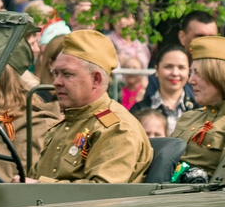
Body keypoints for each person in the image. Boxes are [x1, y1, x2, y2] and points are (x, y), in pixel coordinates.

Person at [29, 30, 151, 183]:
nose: (57, 82)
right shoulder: (65, 124)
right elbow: (33, 178)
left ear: (96, 80)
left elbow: (100, 194)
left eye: (67, 74)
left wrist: (39, 186)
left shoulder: (117, 129)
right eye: (56, 73)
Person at [173, 36, 225, 176]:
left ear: (220, 77)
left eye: (198, 73)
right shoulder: (189, 117)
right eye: (191, 73)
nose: (191, 80)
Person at [136, 46, 194, 126]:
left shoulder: (198, 109)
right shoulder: (139, 110)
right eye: (168, 67)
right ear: (157, 70)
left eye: (181, 67)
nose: (175, 73)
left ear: (188, 71)